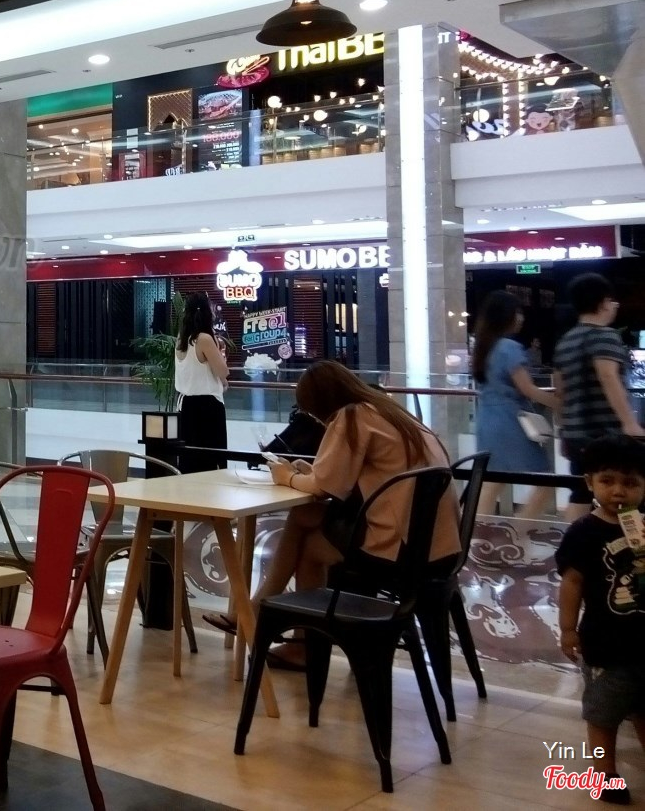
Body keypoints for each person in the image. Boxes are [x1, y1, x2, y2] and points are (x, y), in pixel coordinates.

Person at [201, 361, 461, 667]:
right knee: (304, 516)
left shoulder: (351, 417)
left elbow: (324, 487)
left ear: (321, 405)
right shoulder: (390, 411)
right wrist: (311, 473)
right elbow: (338, 480)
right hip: (439, 546)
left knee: (309, 548)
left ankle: (292, 639)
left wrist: (286, 476)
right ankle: (265, 614)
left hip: (402, 551)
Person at [555, 436, 645, 804]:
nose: (619, 491)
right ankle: (604, 774)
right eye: (607, 481)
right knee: (603, 715)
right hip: (604, 645)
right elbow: (571, 583)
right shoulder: (583, 532)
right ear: (590, 482)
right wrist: (567, 629)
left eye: (630, 482)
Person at [556, 273, 644, 520]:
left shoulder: (566, 341)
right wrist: (629, 423)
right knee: (625, 488)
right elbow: (608, 377)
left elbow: (561, 391)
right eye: (612, 301)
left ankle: (575, 539)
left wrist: (563, 430)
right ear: (604, 302)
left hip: (575, 433)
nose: (615, 306)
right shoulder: (604, 336)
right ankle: (628, 541)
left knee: (581, 491)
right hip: (604, 433)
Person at [472, 291, 560, 520]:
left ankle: (475, 532)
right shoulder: (509, 347)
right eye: (517, 312)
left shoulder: (484, 347)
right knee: (545, 479)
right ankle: (519, 530)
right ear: (506, 316)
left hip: (487, 420)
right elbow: (527, 388)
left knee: (493, 482)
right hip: (510, 420)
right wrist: (560, 404)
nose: (521, 317)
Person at [174, 292, 228, 473]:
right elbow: (222, 371)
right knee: (212, 460)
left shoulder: (182, 338)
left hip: (186, 405)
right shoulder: (204, 338)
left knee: (190, 460)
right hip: (208, 407)